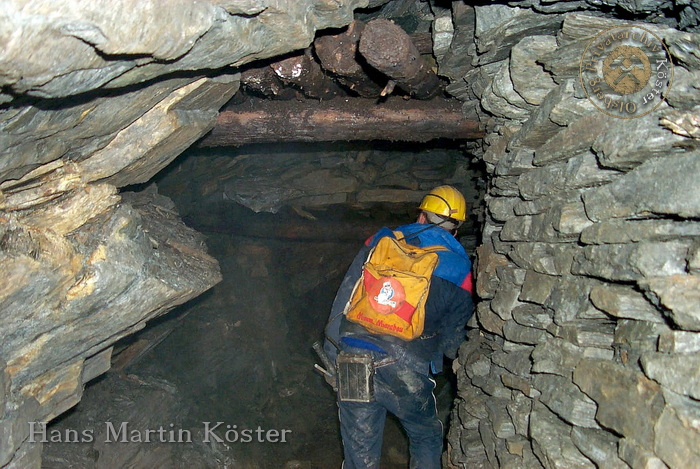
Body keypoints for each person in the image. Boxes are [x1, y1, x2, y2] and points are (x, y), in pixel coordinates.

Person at [322, 185, 474, 469]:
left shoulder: (381, 240)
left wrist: (335, 355)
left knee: (360, 449)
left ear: (420, 217)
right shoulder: (461, 269)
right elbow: (454, 342)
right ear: (456, 230)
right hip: (406, 364)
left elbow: (344, 299)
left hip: (355, 352)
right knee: (425, 435)